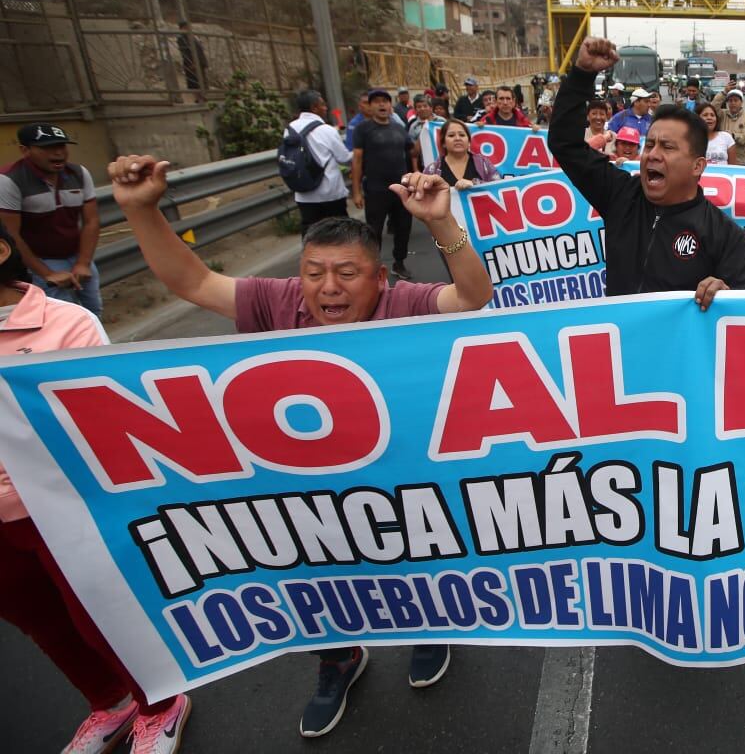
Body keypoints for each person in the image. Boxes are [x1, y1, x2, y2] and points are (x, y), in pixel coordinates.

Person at [108, 153, 492, 739]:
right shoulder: (275, 299)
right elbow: (190, 281)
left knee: (413, 550)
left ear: (381, 278)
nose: (328, 289)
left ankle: (427, 624)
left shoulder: (406, 301)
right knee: (316, 568)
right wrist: (141, 211)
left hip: (399, 470)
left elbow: (471, 297)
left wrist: (442, 222)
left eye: (346, 273)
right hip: (307, 480)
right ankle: (338, 658)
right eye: (315, 273)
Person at [0, 226, 193, 754]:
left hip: (59, 509)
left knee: (98, 619)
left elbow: (97, 428)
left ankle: (160, 703)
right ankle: (109, 703)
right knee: (42, 622)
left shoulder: (68, 324)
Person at [549, 37, 745, 304]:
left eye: (668, 147)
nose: (653, 155)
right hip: (620, 343)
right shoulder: (621, 195)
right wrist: (582, 74)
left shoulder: (724, 235)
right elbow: (564, 144)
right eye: (649, 144)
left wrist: (728, 296)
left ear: (698, 166)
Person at [0, 123, 102, 317]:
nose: (58, 153)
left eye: (62, 146)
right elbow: (12, 235)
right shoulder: (9, 180)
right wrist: (46, 273)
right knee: (63, 317)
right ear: (25, 150)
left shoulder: (79, 173)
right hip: (40, 259)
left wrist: (83, 262)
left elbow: (91, 221)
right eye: (47, 148)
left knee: (94, 310)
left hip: (77, 254)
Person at [351, 88, 418, 281]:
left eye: (385, 101)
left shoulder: (399, 128)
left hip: (401, 190)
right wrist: (356, 192)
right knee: (374, 231)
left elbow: (412, 152)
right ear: (370, 106)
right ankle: (373, 267)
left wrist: (429, 131)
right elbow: (356, 160)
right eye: (377, 101)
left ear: (390, 105)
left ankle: (399, 263)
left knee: (403, 228)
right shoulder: (362, 129)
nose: (381, 104)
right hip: (375, 190)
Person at [287, 90, 353, 237]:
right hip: (329, 193)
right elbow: (344, 158)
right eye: (323, 104)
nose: (326, 107)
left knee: (311, 235)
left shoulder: (290, 129)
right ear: (314, 107)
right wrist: (359, 152)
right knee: (339, 234)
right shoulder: (327, 130)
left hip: (303, 194)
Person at [423, 118, 498, 190]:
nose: (457, 138)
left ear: (469, 142)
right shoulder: (432, 170)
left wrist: (475, 184)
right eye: (451, 135)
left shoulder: (484, 163)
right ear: (443, 143)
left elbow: (498, 187)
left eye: (462, 135)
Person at [406, 93, 440, 168]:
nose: (422, 109)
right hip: (425, 164)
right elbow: (413, 152)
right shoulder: (413, 127)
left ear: (431, 108)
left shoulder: (441, 121)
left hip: (444, 161)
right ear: (415, 110)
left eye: (425, 106)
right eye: (419, 107)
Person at [718, 89, 745, 163]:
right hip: (722, 158)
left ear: (741, 102)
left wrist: (733, 135)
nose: (733, 103)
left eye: (736, 100)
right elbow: (713, 107)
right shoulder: (722, 114)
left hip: (739, 161)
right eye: (730, 101)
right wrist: (723, 93)